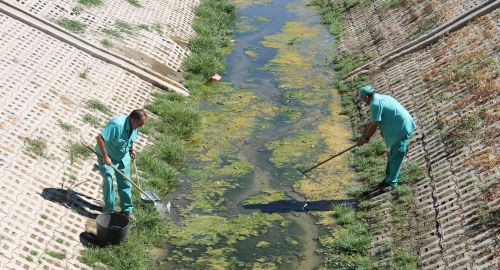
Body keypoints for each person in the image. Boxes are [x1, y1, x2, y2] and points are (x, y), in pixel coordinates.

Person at [357, 85, 415, 191]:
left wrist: (366, 138)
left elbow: (374, 125)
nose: (362, 101)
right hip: (401, 126)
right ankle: (387, 179)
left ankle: (392, 183)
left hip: (401, 129)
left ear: (366, 96)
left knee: (396, 155)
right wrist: (364, 136)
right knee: (392, 154)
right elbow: (371, 123)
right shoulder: (381, 98)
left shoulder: (375, 104)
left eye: (362, 98)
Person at [95, 109, 148, 217]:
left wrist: (131, 149)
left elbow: (130, 139)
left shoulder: (135, 126)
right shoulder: (116, 125)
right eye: (140, 124)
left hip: (123, 157)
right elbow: (99, 138)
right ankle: (109, 210)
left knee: (125, 183)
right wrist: (105, 156)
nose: (140, 127)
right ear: (133, 120)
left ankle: (127, 210)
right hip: (107, 156)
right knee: (109, 180)